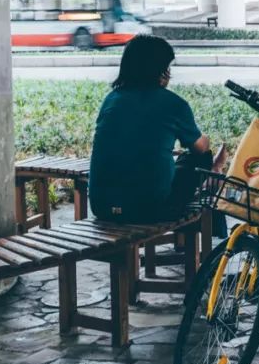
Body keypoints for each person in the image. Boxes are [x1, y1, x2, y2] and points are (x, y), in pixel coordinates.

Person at [89, 34, 213, 224]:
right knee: (201, 159)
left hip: (102, 207)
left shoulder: (111, 99)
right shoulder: (174, 104)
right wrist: (205, 139)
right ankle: (212, 182)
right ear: (161, 71)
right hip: (150, 210)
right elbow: (201, 148)